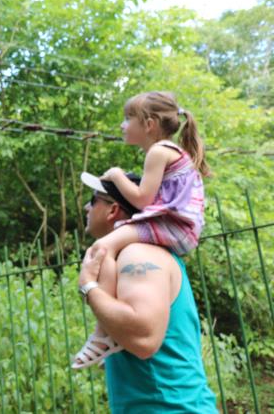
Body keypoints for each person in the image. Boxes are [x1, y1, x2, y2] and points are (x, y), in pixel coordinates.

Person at [73, 91, 209, 369]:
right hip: (176, 226)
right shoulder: (168, 152)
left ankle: (103, 334)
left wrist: (116, 175)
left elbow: (142, 199)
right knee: (107, 247)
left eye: (127, 119)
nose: (122, 125)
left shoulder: (159, 151)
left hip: (172, 224)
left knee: (101, 248)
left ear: (148, 124)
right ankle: (105, 334)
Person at [78, 170, 217, 412]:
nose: (86, 208)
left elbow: (144, 339)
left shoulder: (139, 254)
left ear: (113, 210)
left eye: (93, 200)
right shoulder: (129, 257)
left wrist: (89, 286)